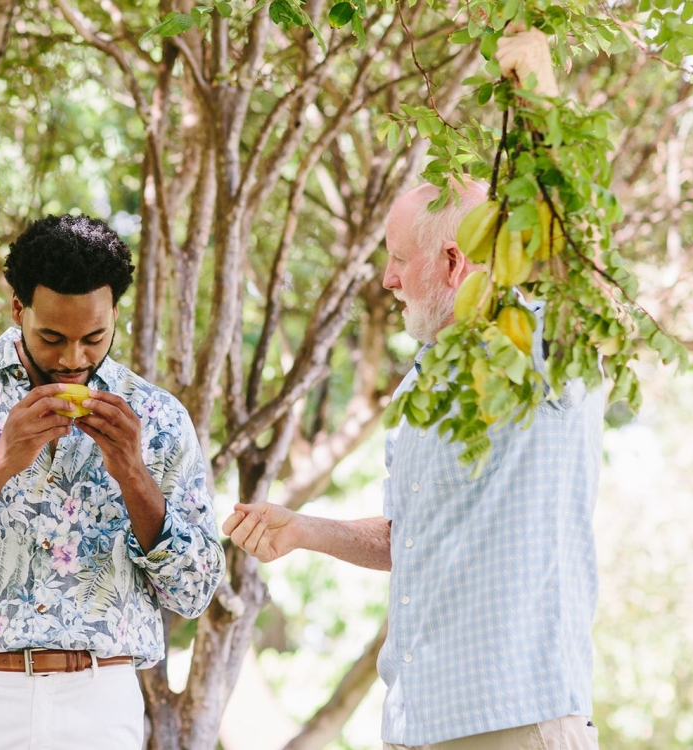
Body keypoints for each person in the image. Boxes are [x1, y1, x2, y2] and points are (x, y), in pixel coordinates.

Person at [223, 29, 603, 750]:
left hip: (513, 722)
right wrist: (305, 530)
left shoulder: (540, 346)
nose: (388, 280)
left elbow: (572, 253)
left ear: (454, 261)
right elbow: (411, 535)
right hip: (416, 723)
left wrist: (539, 92)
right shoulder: (426, 383)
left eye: (399, 260)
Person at [0, 214, 226, 750]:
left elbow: (193, 592)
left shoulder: (159, 416)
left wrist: (134, 476)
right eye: (52, 337)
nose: (73, 359)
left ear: (115, 314)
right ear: (17, 309)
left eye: (94, 337)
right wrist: (0, 462)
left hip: (102, 701)